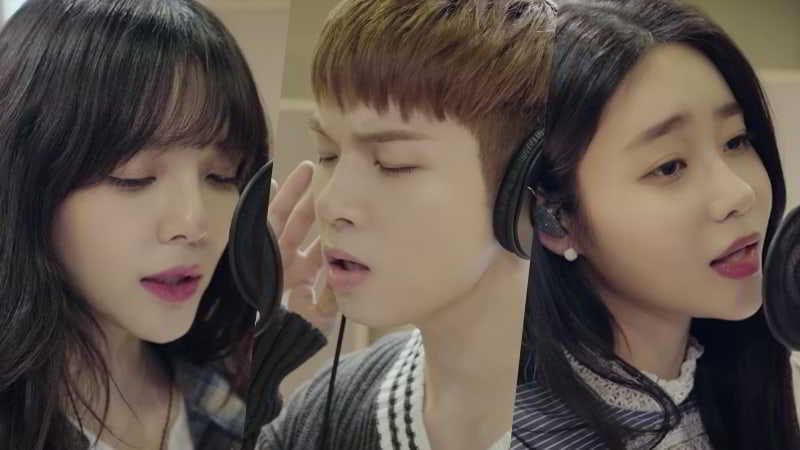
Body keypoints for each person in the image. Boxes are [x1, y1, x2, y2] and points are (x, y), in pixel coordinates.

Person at [0, 1, 325, 449]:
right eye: (134, 176)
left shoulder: (219, 396)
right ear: (25, 179)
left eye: (220, 175)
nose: (193, 223)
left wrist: (268, 362)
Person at [257, 1, 555, 449]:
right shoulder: (321, 414)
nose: (331, 202)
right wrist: (247, 365)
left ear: (526, 193)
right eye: (327, 154)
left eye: (392, 163)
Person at [512, 0, 800, 449]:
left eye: (736, 140)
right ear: (555, 220)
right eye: (669, 167)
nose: (739, 193)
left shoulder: (740, 390)